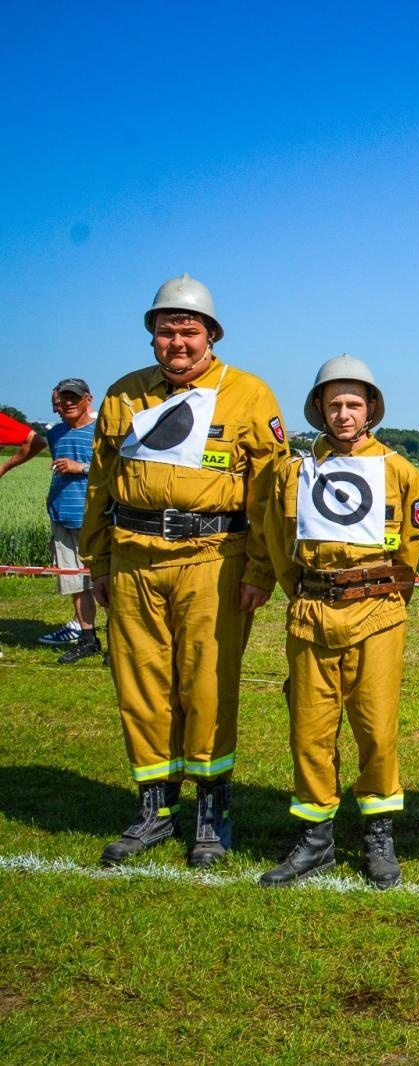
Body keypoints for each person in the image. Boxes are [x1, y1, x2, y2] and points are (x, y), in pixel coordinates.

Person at [82, 274, 287, 868]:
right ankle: (154, 807)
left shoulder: (249, 395)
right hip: (132, 561)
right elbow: (100, 482)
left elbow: (270, 494)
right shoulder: (124, 396)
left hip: (212, 562)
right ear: (152, 336)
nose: (177, 342)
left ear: (211, 335)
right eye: (166, 331)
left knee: (207, 684)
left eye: (188, 331)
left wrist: (259, 572)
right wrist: (97, 559)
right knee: (141, 685)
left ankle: (211, 810)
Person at [259, 355, 419, 889]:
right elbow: (276, 542)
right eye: (333, 404)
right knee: (309, 730)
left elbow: (409, 551)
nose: (343, 413)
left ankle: (379, 834)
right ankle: (315, 839)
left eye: (354, 403)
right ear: (317, 409)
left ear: (372, 409)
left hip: (377, 614)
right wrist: (306, 593)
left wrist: (375, 594)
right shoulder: (293, 472)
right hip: (310, 613)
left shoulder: (400, 472)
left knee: (376, 730)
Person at [0, 379, 101, 663]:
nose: (66, 404)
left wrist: (79, 467)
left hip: (94, 518)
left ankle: (118, 643)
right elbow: (36, 445)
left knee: (106, 581)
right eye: (61, 400)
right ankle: (87, 638)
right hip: (60, 516)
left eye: (73, 398)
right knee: (74, 582)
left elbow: (117, 470)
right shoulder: (56, 434)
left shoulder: (102, 431)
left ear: (87, 399)